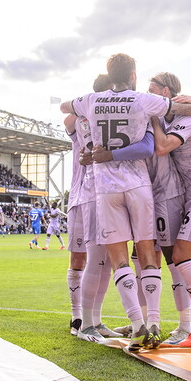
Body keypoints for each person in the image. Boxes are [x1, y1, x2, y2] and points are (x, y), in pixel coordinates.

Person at [59, 52, 191, 351]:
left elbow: (63, 107)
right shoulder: (141, 100)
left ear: (109, 75)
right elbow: (181, 113)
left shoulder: (91, 102)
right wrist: (180, 105)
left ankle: (137, 325)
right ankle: (155, 323)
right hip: (138, 185)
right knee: (147, 251)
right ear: (134, 75)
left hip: (106, 188)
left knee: (118, 257)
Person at [143, 71, 191, 348]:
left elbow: (163, 147)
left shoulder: (185, 118)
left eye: (151, 90)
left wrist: (152, 115)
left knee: (180, 257)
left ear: (165, 92)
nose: (146, 93)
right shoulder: (179, 116)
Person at [63, 74, 129, 341]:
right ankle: (78, 317)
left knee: (100, 260)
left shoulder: (111, 120)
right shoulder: (82, 118)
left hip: (99, 193)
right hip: (81, 196)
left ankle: (94, 320)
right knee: (80, 259)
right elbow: (67, 117)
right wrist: (86, 105)